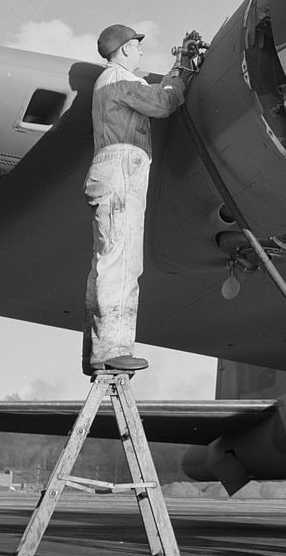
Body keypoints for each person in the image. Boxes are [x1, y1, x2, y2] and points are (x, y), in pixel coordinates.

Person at [83, 24, 200, 376]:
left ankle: (98, 351)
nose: (141, 52)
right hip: (121, 170)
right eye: (136, 46)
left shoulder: (111, 82)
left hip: (115, 168)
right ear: (122, 51)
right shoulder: (119, 79)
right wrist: (181, 70)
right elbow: (163, 103)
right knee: (122, 261)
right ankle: (113, 351)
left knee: (107, 259)